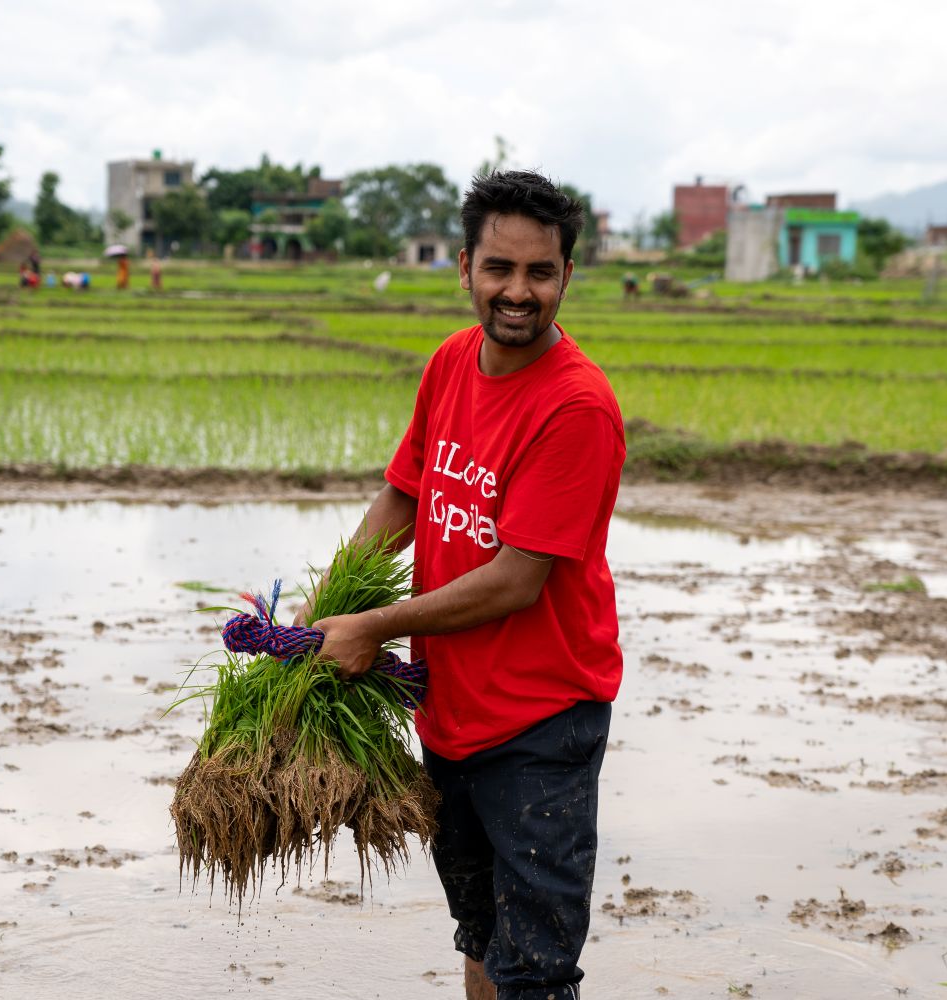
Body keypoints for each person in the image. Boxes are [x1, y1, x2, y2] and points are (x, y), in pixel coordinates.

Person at [297, 170, 624, 1000]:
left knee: (535, 973)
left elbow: (515, 580)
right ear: (466, 269)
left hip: (541, 728)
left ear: (566, 278)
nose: (518, 292)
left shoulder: (576, 408)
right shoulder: (450, 361)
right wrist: (330, 601)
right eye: (499, 269)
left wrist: (370, 627)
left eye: (539, 273)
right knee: (479, 938)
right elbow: (405, 492)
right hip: (449, 714)